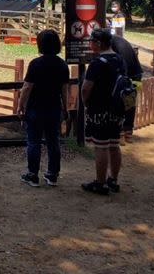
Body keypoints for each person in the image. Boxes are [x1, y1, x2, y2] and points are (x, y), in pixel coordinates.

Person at [17, 29, 70, 187]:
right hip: (54, 108)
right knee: (53, 141)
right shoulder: (62, 65)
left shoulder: (36, 64)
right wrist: (65, 108)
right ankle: (52, 174)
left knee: (33, 141)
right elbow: (64, 90)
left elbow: (27, 87)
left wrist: (21, 105)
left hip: (35, 108)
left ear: (40, 44)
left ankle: (33, 175)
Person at [81, 28, 126, 195]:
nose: (90, 44)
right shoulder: (120, 60)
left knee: (101, 146)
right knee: (114, 144)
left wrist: (85, 103)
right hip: (117, 109)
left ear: (98, 43)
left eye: (91, 41)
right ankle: (113, 179)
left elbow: (86, 88)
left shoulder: (97, 63)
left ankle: (100, 183)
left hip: (99, 109)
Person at [111, 34, 143, 143]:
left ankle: (119, 134)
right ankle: (128, 133)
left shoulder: (111, 43)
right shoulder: (118, 40)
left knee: (118, 103)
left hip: (127, 75)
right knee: (130, 104)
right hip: (137, 75)